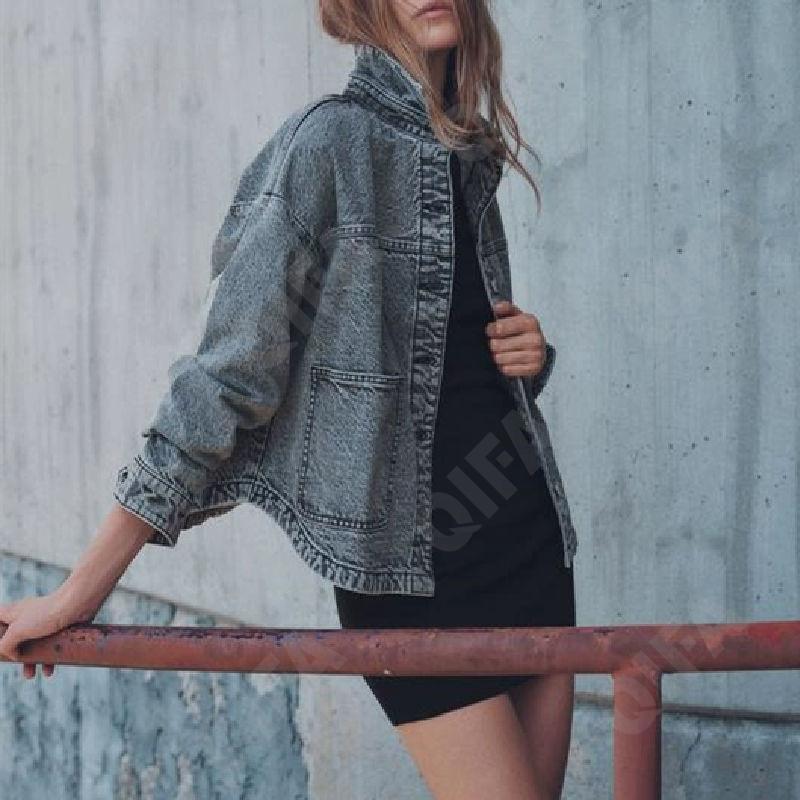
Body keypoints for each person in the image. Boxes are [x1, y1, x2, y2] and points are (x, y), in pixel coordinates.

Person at [0, 2, 577, 798]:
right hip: (409, 574)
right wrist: (82, 591)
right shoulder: (329, 144)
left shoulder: (469, 152)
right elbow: (224, 377)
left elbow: (449, 373)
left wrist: (530, 357)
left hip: (529, 542)